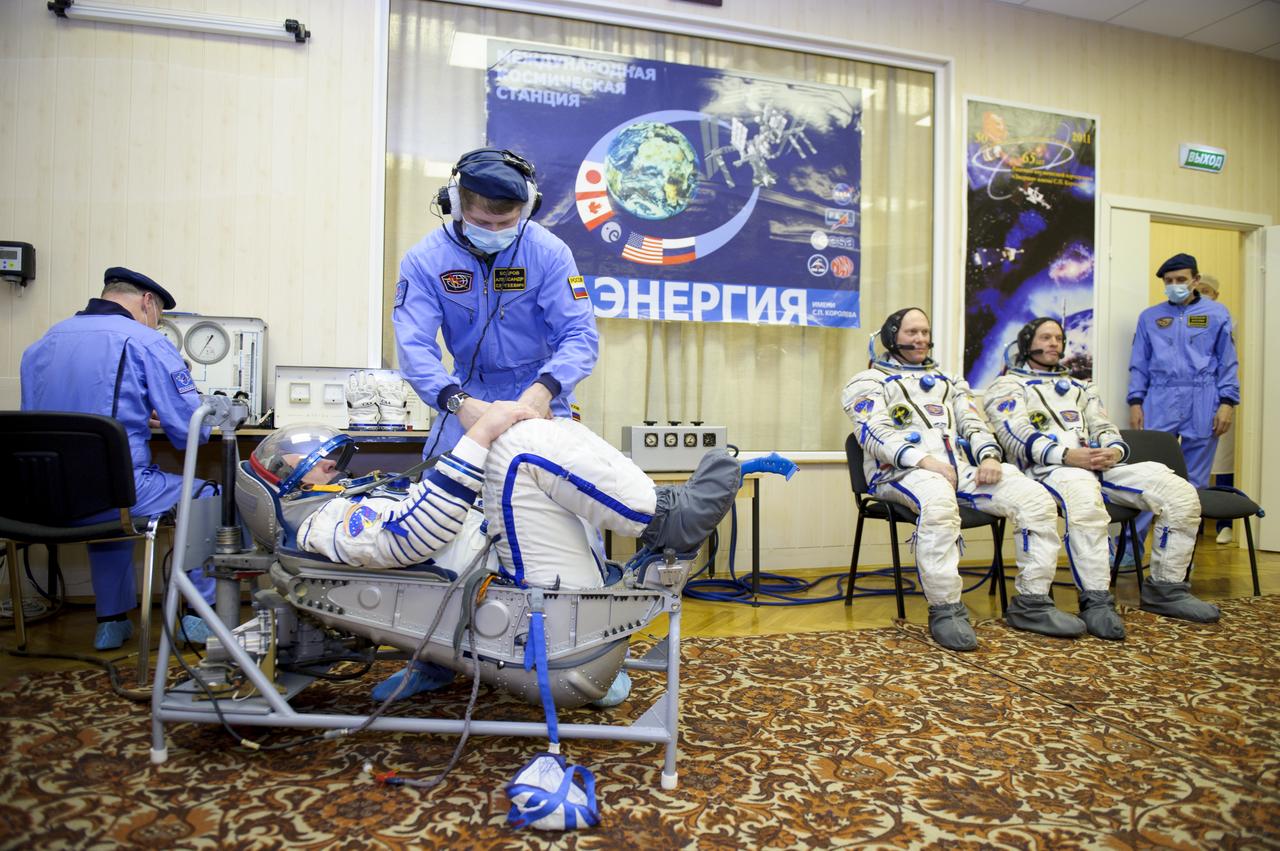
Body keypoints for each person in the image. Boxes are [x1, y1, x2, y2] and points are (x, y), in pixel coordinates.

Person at [241, 403, 740, 703]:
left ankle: (663, 510)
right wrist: (478, 436)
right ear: (277, 488)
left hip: (536, 594)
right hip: (541, 628)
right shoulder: (321, 522)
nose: (332, 465)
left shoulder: (340, 502)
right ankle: (666, 519)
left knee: (554, 425)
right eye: (311, 464)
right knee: (519, 446)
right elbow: (409, 537)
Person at [841, 307, 1079, 652]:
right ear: (892, 337)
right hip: (898, 472)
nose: (920, 339)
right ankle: (946, 609)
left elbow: (973, 424)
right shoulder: (867, 382)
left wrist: (989, 456)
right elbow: (873, 433)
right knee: (938, 501)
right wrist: (923, 461)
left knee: (1035, 498)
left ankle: (1033, 603)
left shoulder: (950, 382)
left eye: (924, 332)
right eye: (911, 333)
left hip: (960, 470)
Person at [19, 267, 219, 650]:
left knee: (105, 496)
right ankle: (197, 616)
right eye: (158, 315)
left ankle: (110, 621)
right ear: (147, 302)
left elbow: (45, 422)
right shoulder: (145, 341)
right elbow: (192, 429)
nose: (155, 322)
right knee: (208, 493)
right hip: (114, 496)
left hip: (44, 498)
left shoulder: (42, 342)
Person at [985, 317, 1219, 628]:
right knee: (1085, 500)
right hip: (1049, 470)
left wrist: (1114, 450)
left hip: (1098, 466)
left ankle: (1167, 588)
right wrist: (1068, 455)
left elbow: (1103, 426)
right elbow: (1016, 436)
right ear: (1027, 343)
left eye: (1058, 338)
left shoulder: (1081, 387)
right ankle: (1095, 600)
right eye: (1045, 337)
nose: (1053, 343)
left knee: (1179, 493)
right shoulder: (1007, 386)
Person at [392, 147, 598, 457]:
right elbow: (414, 345)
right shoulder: (425, 260)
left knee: (547, 492)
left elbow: (579, 334)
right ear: (459, 207)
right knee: (442, 489)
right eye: (482, 223)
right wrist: (457, 402)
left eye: (505, 224)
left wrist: (545, 390)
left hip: (538, 394)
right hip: (468, 396)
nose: (494, 232)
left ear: (525, 210)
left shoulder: (549, 253)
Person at [1127, 253, 1239, 561]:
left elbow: (1228, 362)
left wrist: (1228, 402)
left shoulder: (1217, 314)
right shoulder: (1150, 317)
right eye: (1169, 281)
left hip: (1204, 398)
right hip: (1159, 398)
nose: (1174, 286)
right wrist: (1136, 401)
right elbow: (1139, 363)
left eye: (1180, 280)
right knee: (1146, 476)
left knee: (1193, 483)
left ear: (1195, 280)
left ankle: (1176, 556)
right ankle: (1129, 549)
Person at [1192, 274, 1237, 544]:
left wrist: (1226, 403)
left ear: (1216, 294)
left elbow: (1228, 364)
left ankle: (1224, 523)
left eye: (1207, 290)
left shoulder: (1224, 319)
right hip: (1183, 403)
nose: (1202, 293)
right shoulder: (1176, 319)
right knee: (1183, 470)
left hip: (1218, 400)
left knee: (1222, 464)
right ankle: (1191, 525)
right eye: (1199, 290)